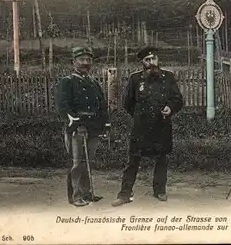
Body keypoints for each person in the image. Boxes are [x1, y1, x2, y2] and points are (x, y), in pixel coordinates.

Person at [111, 46, 184, 207]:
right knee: (133, 160)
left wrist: (170, 108)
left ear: (158, 60)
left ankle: (160, 190)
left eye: (154, 59)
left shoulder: (168, 77)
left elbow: (178, 99)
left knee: (161, 159)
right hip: (141, 128)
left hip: (162, 125)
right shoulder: (135, 79)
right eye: (147, 60)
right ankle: (124, 193)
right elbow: (127, 103)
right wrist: (140, 116)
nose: (151, 63)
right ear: (142, 62)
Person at [55, 46, 110, 207]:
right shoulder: (67, 82)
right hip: (77, 128)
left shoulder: (93, 83)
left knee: (88, 161)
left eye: (88, 60)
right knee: (77, 162)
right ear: (74, 62)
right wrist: (77, 124)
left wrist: (105, 126)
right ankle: (76, 196)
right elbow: (63, 106)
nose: (85, 63)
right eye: (82, 59)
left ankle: (87, 193)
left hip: (94, 127)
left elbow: (102, 105)